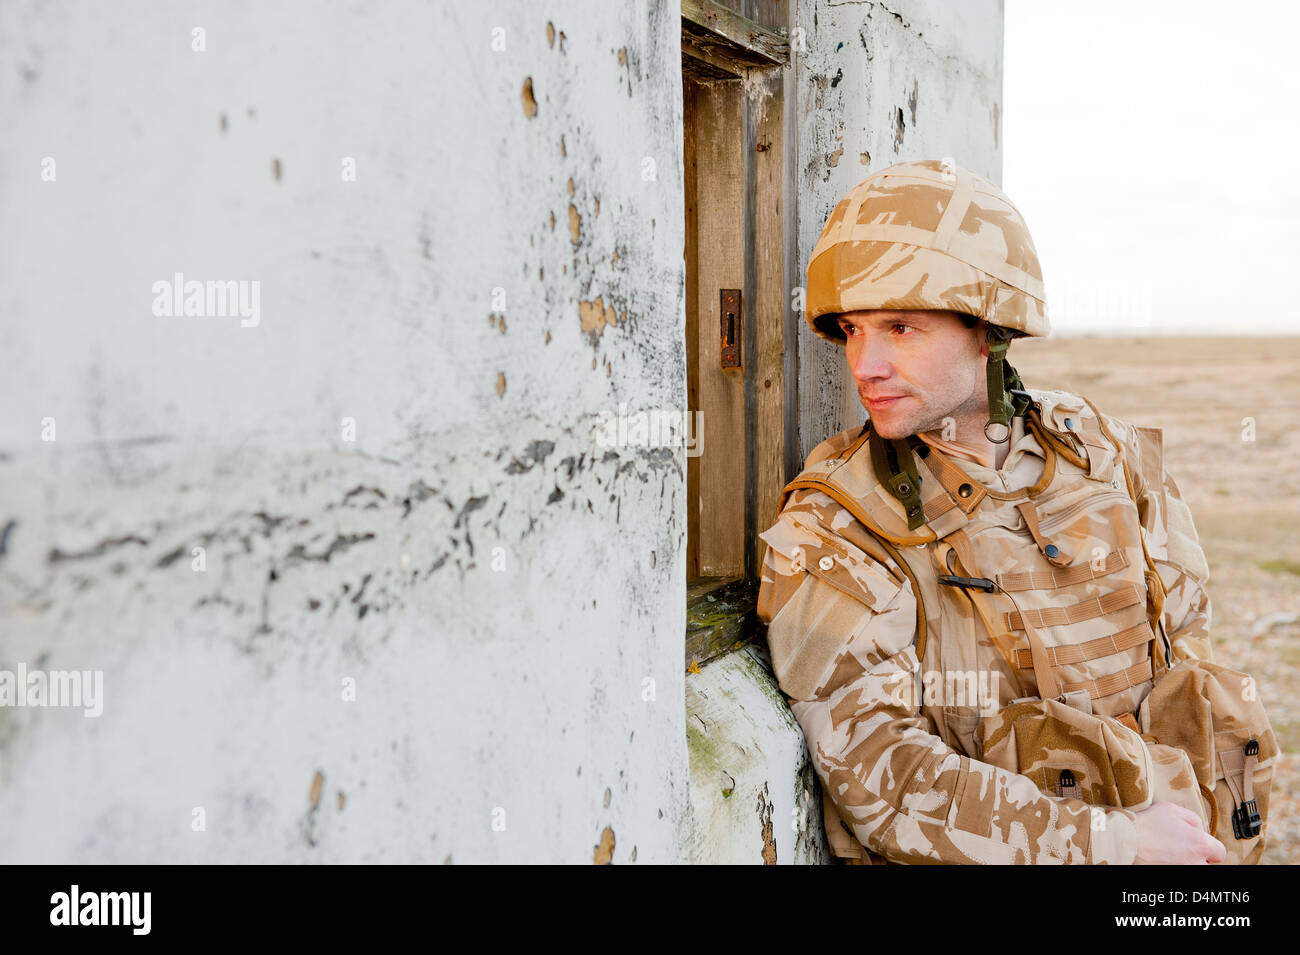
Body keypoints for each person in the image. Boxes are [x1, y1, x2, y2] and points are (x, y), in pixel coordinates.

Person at [756, 158, 1255, 865]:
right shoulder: (835, 523)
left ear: (987, 329)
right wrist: (1115, 843)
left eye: (900, 328)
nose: (864, 364)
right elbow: (883, 775)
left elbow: (1186, 647)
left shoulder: (1102, 450)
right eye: (852, 329)